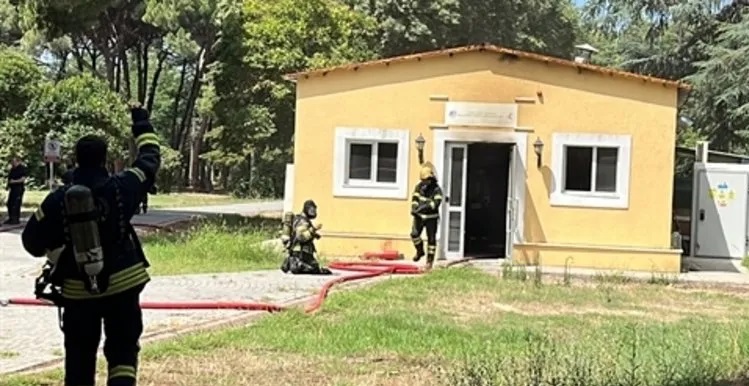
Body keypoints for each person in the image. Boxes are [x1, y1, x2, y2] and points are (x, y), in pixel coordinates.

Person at [21, 104, 161, 386]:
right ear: (105, 160)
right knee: (122, 352)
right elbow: (150, 157)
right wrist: (141, 123)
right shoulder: (125, 185)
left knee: (79, 357)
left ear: (75, 160)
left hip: (77, 291)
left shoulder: (57, 199)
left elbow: (30, 242)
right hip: (124, 284)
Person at [281, 200, 332, 275]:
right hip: (301, 252)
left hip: (300, 252)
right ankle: (296, 264)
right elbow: (301, 237)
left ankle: (293, 262)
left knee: (314, 266)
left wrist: (314, 235)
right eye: (312, 210)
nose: (314, 212)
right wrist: (313, 229)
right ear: (307, 209)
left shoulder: (299, 219)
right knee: (314, 268)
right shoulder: (303, 221)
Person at [410, 162, 443, 270]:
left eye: (426, 180)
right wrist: (415, 208)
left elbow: (436, 203)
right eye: (423, 180)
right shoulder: (419, 187)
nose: (424, 183)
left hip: (431, 218)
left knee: (431, 240)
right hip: (419, 217)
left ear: (431, 178)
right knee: (414, 234)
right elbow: (415, 198)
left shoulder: (437, 190)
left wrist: (424, 207)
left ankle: (429, 261)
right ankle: (420, 251)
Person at [4, 156, 28, 225]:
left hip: (18, 189)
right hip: (12, 189)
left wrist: (14, 181)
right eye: (12, 162)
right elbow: (10, 178)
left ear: (18, 161)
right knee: (9, 203)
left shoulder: (21, 169)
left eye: (14, 162)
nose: (12, 163)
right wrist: (8, 186)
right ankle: (11, 218)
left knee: (16, 204)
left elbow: (23, 179)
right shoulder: (12, 169)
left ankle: (15, 219)